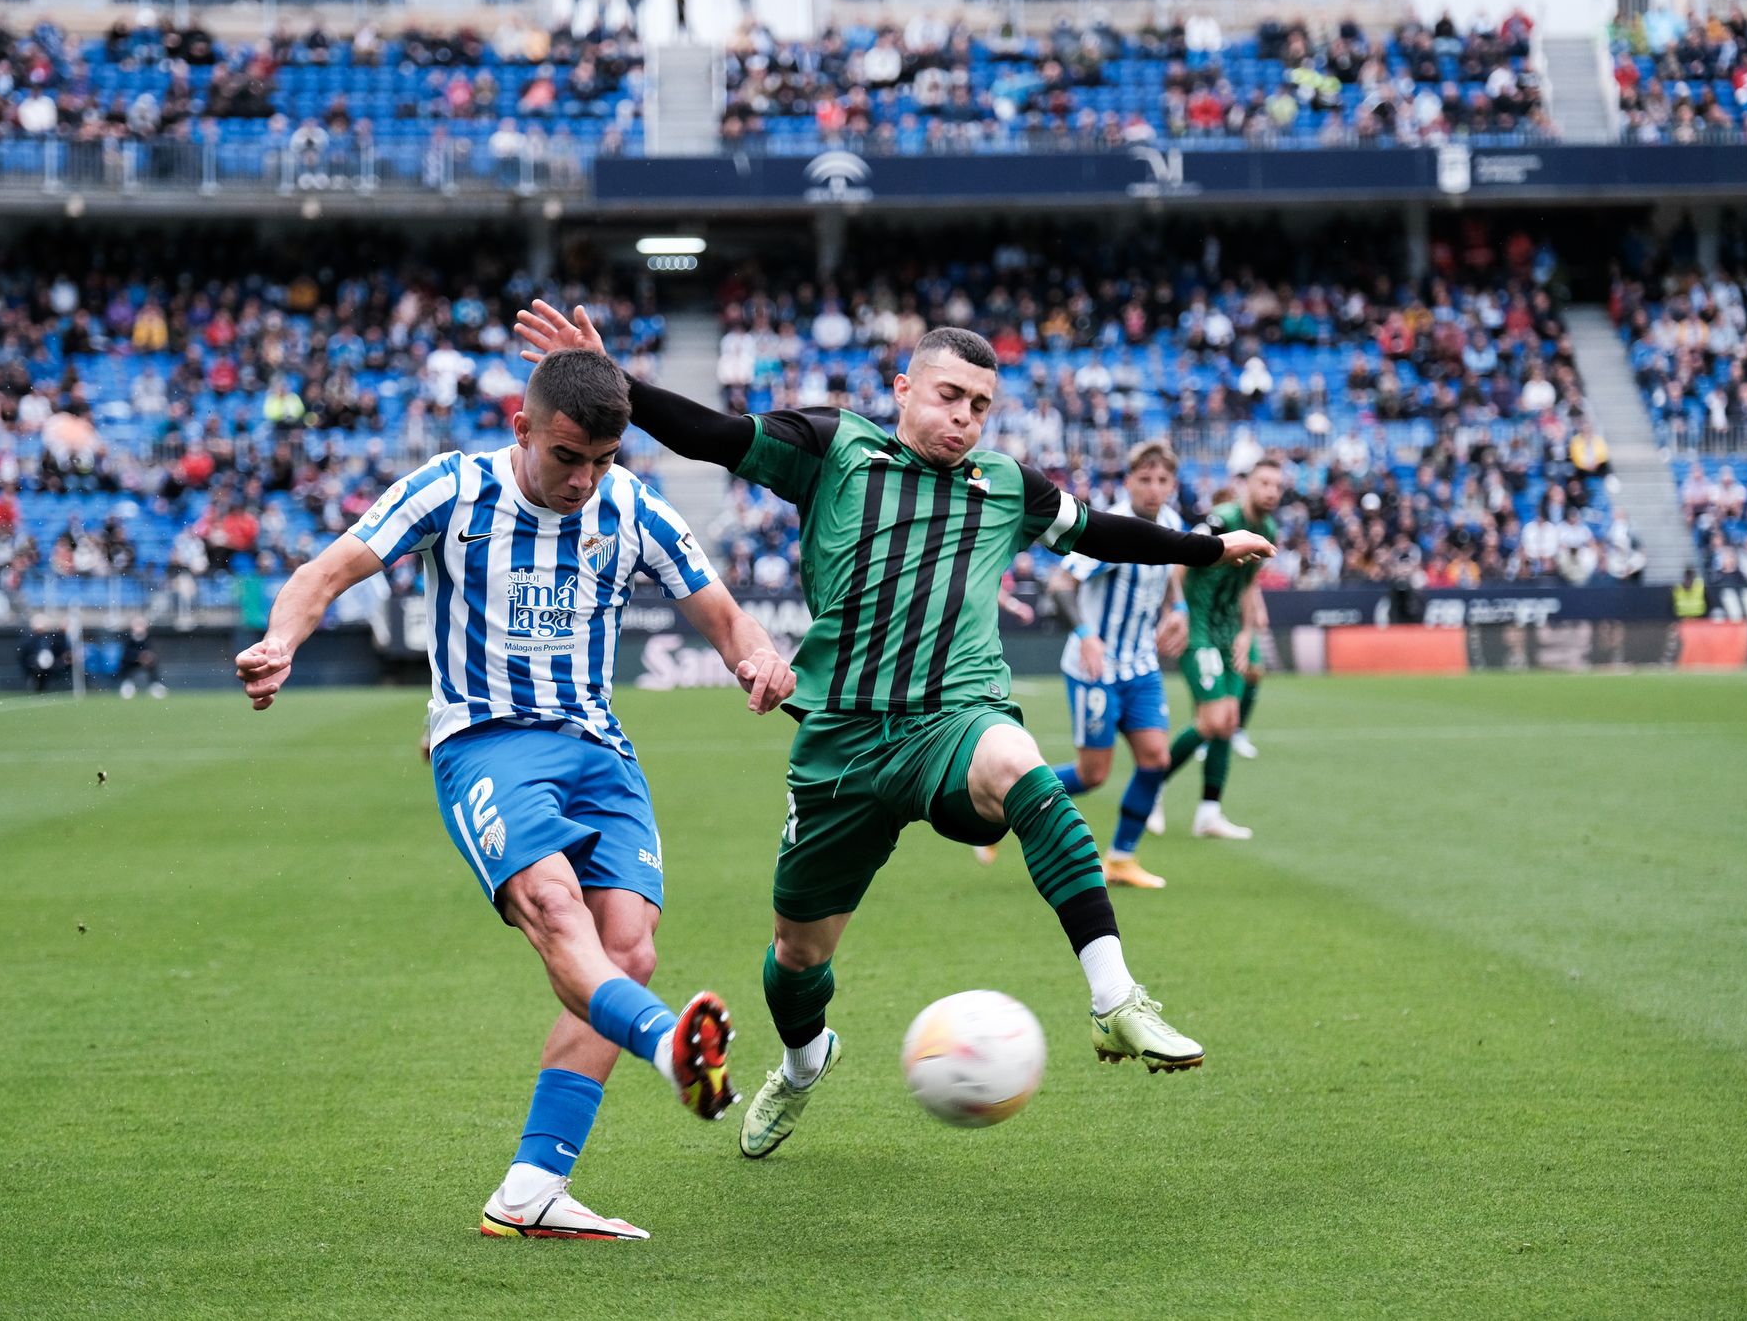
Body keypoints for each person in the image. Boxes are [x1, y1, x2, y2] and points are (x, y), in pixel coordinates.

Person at [515, 303, 1274, 1162]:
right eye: (950, 395)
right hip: (840, 743)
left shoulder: (1004, 486)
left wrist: (1206, 552)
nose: (964, 418)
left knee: (1021, 764)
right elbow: (712, 436)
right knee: (797, 957)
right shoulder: (835, 449)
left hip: (952, 719)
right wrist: (619, 383)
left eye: (981, 406)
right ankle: (804, 1063)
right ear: (904, 388)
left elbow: (1102, 529)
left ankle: (1116, 997)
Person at [234, 349, 797, 1240]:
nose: (585, 479)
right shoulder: (451, 491)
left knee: (630, 952)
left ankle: (531, 1189)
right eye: (569, 456)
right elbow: (328, 571)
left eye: (603, 460)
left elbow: (726, 616)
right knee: (552, 905)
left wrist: (757, 657)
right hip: (487, 743)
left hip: (600, 752)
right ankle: (667, 1046)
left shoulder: (632, 508)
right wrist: (281, 640)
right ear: (523, 428)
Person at [977, 440, 1189, 888]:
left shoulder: (1171, 522)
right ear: (1128, 481)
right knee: (1094, 774)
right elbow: (1061, 582)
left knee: (1156, 759)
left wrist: (1179, 611)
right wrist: (1087, 634)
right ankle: (999, 806)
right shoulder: (1111, 529)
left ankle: (1121, 858)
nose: (1154, 488)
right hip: (1095, 668)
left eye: (1163, 480)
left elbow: (1169, 573)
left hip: (1141, 665)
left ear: (1173, 484)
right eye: (1144, 479)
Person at [1154, 465, 1283, 840]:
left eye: (1278, 485)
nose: (1271, 491)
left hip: (1229, 635)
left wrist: (1246, 633)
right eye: (1264, 483)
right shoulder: (1222, 519)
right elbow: (1178, 562)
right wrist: (1174, 612)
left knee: (1227, 724)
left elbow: (1247, 586)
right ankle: (1152, 785)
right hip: (1199, 630)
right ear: (1248, 486)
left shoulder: (1270, 530)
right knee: (1212, 721)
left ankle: (1209, 814)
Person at [19, 614, 73, 694]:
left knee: (45, 682)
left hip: (49, 667)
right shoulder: (30, 639)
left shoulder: (49, 637)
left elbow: (59, 647)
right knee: (38, 682)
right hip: (35, 667)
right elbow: (24, 655)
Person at [116, 617, 166, 699]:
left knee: (153, 667)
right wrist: (138, 656)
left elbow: (153, 651)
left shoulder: (148, 637)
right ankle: (127, 685)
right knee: (125, 668)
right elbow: (126, 654)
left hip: (146, 662)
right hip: (131, 662)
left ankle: (155, 685)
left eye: (141, 625)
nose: (139, 628)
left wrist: (149, 657)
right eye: (137, 625)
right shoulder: (128, 638)